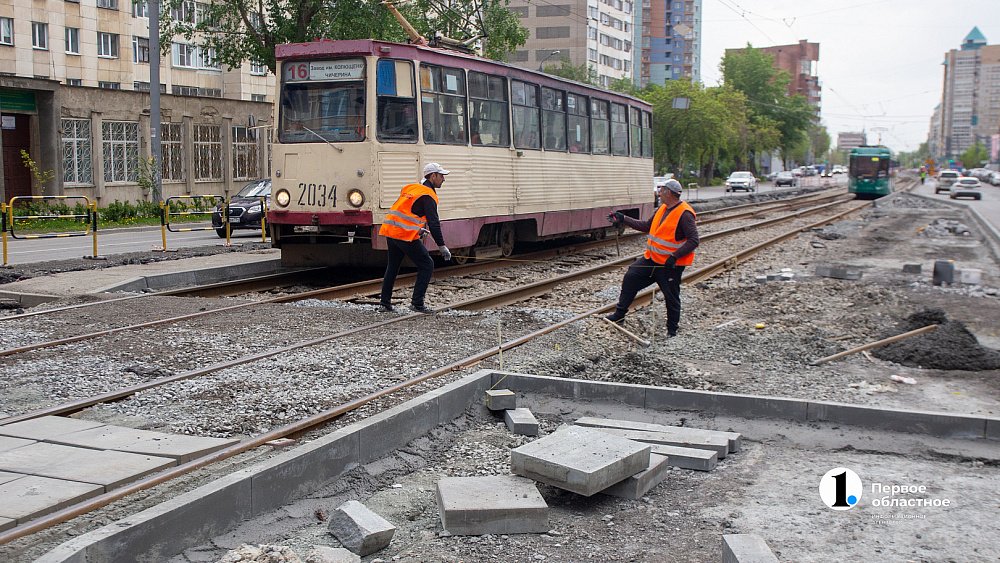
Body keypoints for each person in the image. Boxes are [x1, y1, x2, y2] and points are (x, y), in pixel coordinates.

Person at [606, 178, 699, 337]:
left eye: (661, 190)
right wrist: (624, 219)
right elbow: (646, 226)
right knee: (631, 276)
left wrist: (674, 257)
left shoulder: (685, 213)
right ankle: (619, 315)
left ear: (669, 193)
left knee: (671, 297)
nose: (659, 193)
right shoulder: (663, 208)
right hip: (652, 259)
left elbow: (694, 240)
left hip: (670, 265)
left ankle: (672, 332)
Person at [378, 163, 452, 314]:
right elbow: (434, 223)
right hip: (403, 235)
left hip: (390, 231)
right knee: (427, 264)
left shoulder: (411, 188)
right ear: (433, 176)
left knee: (392, 266)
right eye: (441, 175)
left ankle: (384, 304)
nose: (443, 179)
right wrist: (442, 246)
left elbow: (407, 211)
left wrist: (418, 229)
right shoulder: (428, 195)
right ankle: (417, 304)